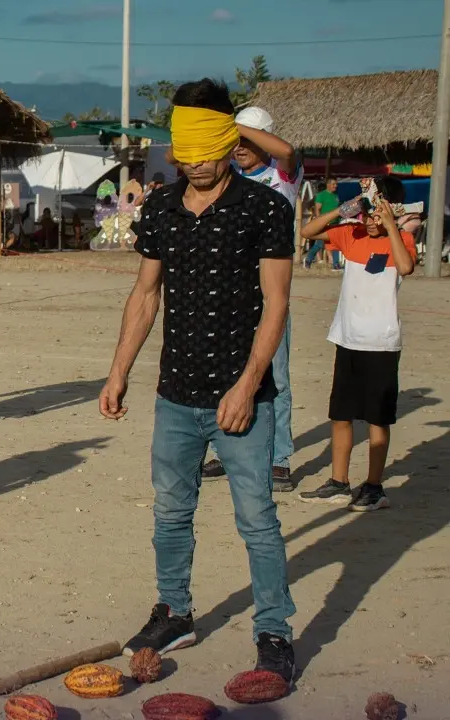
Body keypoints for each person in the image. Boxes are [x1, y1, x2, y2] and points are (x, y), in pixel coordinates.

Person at [99, 79, 296, 683]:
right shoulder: (160, 209)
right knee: (170, 512)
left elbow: (276, 303)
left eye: (205, 150)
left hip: (242, 399)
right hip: (176, 395)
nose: (195, 162)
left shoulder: (266, 208)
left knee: (257, 518)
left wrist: (247, 384)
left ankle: (273, 630)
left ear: (228, 140)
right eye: (184, 152)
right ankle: (175, 612)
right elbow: (145, 294)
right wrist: (118, 373)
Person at [298, 177, 415, 511]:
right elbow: (308, 233)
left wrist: (391, 225)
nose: (372, 220)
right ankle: (339, 482)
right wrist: (347, 209)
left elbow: (406, 266)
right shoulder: (352, 234)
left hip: (381, 343)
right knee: (341, 415)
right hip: (348, 339)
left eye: (378, 212)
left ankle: (374, 486)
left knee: (378, 419)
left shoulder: (401, 239)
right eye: (369, 211)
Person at [199, 107, 299, 491]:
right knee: (226, 368)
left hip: (271, 288)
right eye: (235, 142)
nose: (240, 147)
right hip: (231, 289)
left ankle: (279, 458)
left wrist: (237, 127)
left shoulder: (282, 175)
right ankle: (229, 450)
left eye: (249, 140)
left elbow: (286, 149)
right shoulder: (230, 179)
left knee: (276, 374)